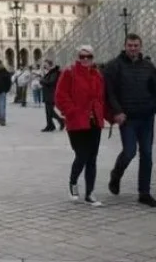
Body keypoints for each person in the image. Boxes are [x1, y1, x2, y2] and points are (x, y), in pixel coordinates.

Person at [105, 33, 156, 207]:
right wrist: (117, 112)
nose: (133, 48)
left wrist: (154, 107)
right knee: (129, 152)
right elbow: (110, 92)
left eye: (136, 45)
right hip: (127, 117)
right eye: (130, 45)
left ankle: (144, 192)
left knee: (147, 154)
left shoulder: (148, 65)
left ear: (141, 46)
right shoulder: (114, 66)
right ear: (124, 46)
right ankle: (116, 175)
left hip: (146, 117)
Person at [54, 46, 105, 206]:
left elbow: (101, 97)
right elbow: (60, 96)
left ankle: (90, 193)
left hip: (94, 121)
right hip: (76, 121)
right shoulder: (69, 73)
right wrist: (72, 112)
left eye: (88, 56)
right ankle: (73, 182)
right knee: (82, 155)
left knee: (92, 158)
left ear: (93, 57)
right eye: (82, 56)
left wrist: (105, 114)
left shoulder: (97, 74)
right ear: (78, 57)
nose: (85, 59)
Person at [40, 59, 65, 132]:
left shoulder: (54, 72)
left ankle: (61, 121)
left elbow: (51, 82)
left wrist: (42, 80)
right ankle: (50, 125)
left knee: (50, 111)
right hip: (48, 93)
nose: (44, 66)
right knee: (48, 111)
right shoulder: (50, 72)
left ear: (49, 65)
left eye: (45, 64)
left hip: (52, 94)